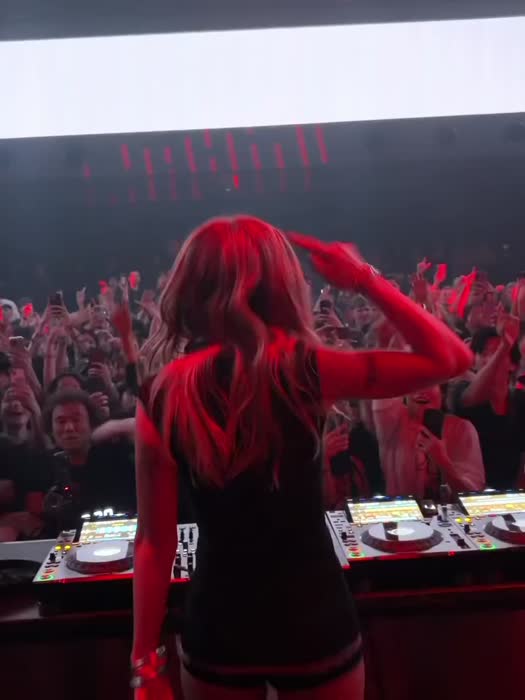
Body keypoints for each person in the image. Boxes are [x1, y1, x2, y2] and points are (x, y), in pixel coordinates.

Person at [131, 216, 472, 700]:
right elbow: (452, 359)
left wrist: (145, 664)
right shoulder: (304, 369)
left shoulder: (162, 393)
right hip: (313, 617)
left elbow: (154, 542)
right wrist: (364, 279)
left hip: (218, 624)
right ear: (280, 286)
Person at [372, 385, 484, 498]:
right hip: (405, 508)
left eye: (429, 384)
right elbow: (384, 389)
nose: (420, 392)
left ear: (442, 392)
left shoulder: (462, 428)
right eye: (415, 385)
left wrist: (441, 459)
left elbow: (472, 494)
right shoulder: (393, 424)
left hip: (452, 508)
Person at [451, 322, 525, 488]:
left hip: (510, 492)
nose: (489, 359)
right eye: (483, 353)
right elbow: (468, 400)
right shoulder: (459, 390)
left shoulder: (520, 401)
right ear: (474, 362)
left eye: (495, 352)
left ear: (513, 365)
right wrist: (504, 347)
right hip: (469, 491)